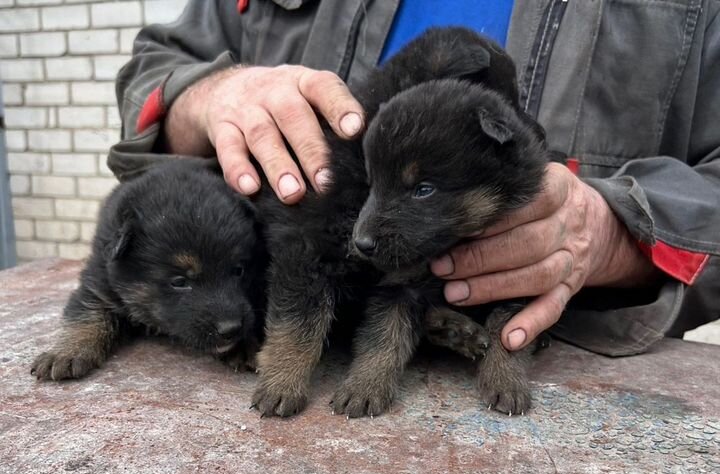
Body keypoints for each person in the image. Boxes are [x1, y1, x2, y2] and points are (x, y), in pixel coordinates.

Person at [110, 0, 720, 357]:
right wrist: (215, 93)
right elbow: (156, 66)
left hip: (542, 369)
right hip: (263, 337)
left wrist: (615, 232)